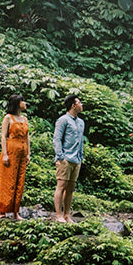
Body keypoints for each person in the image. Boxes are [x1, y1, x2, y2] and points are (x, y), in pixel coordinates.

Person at [0, 94, 29, 220]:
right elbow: (3, 136)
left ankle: (16, 212)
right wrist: (5, 154)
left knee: (20, 181)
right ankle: (3, 211)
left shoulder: (24, 119)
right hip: (11, 150)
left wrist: (28, 153)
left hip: (22, 151)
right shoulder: (8, 118)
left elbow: (27, 137)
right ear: (17, 103)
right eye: (22, 101)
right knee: (7, 179)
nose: (25, 103)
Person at [53, 94, 85, 223]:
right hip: (65, 158)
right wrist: (60, 156)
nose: (81, 105)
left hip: (76, 159)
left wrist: (80, 157)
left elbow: (80, 141)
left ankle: (67, 215)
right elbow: (57, 139)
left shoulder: (81, 122)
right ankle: (59, 215)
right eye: (79, 102)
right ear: (73, 105)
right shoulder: (63, 120)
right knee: (61, 186)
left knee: (70, 189)